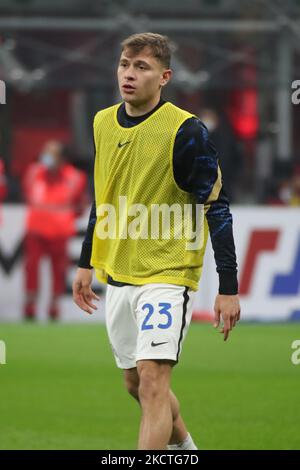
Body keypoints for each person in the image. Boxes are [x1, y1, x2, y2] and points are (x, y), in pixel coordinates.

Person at [72, 33, 241, 450]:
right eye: (125, 64)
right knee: (135, 382)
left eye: (141, 67)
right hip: (120, 272)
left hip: (168, 272)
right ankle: (187, 450)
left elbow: (216, 207)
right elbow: (104, 195)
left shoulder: (186, 131)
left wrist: (228, 287)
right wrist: (85, 261)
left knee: (152, 380)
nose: (129, 74)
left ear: (164, 77)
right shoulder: (102, 122)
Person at [23, 140, 88, 320]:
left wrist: (63, 218)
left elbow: (80, 205)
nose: (47, 157)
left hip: (60, 231)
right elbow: (28, 193)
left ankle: (54, 306)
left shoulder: (75, 177)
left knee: (58, 270)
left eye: (51, 153)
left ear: (61, 158)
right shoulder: (33, 172)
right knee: (31, 268)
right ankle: (30, 305)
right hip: (35, 229)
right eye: (45, 152)